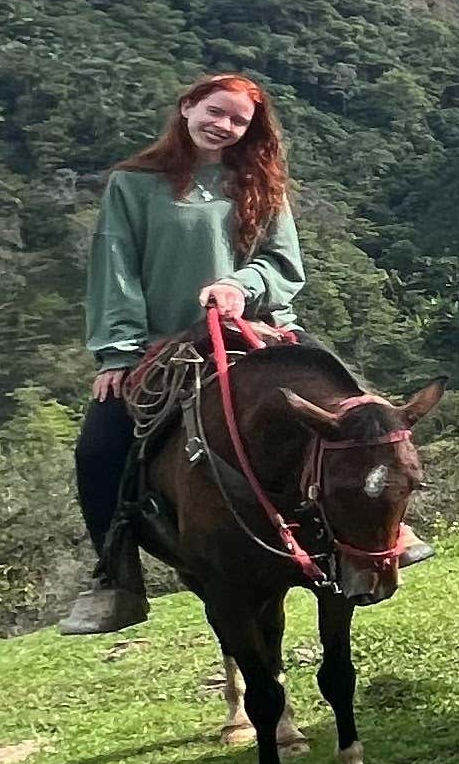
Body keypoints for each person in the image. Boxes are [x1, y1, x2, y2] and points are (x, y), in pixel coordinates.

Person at [63, 74, 311, 635]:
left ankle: (380, 534)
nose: (222, 125)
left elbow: (283, 264)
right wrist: (118, 355)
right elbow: (115, 268)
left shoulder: (259, 183)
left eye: (237, 120)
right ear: (187, 106)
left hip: (257, 329)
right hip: (163, 347)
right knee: (98, 450)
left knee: (351, 402)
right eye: (214, 112)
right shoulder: (133, 183)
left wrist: (240, 286)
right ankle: (116, 576)